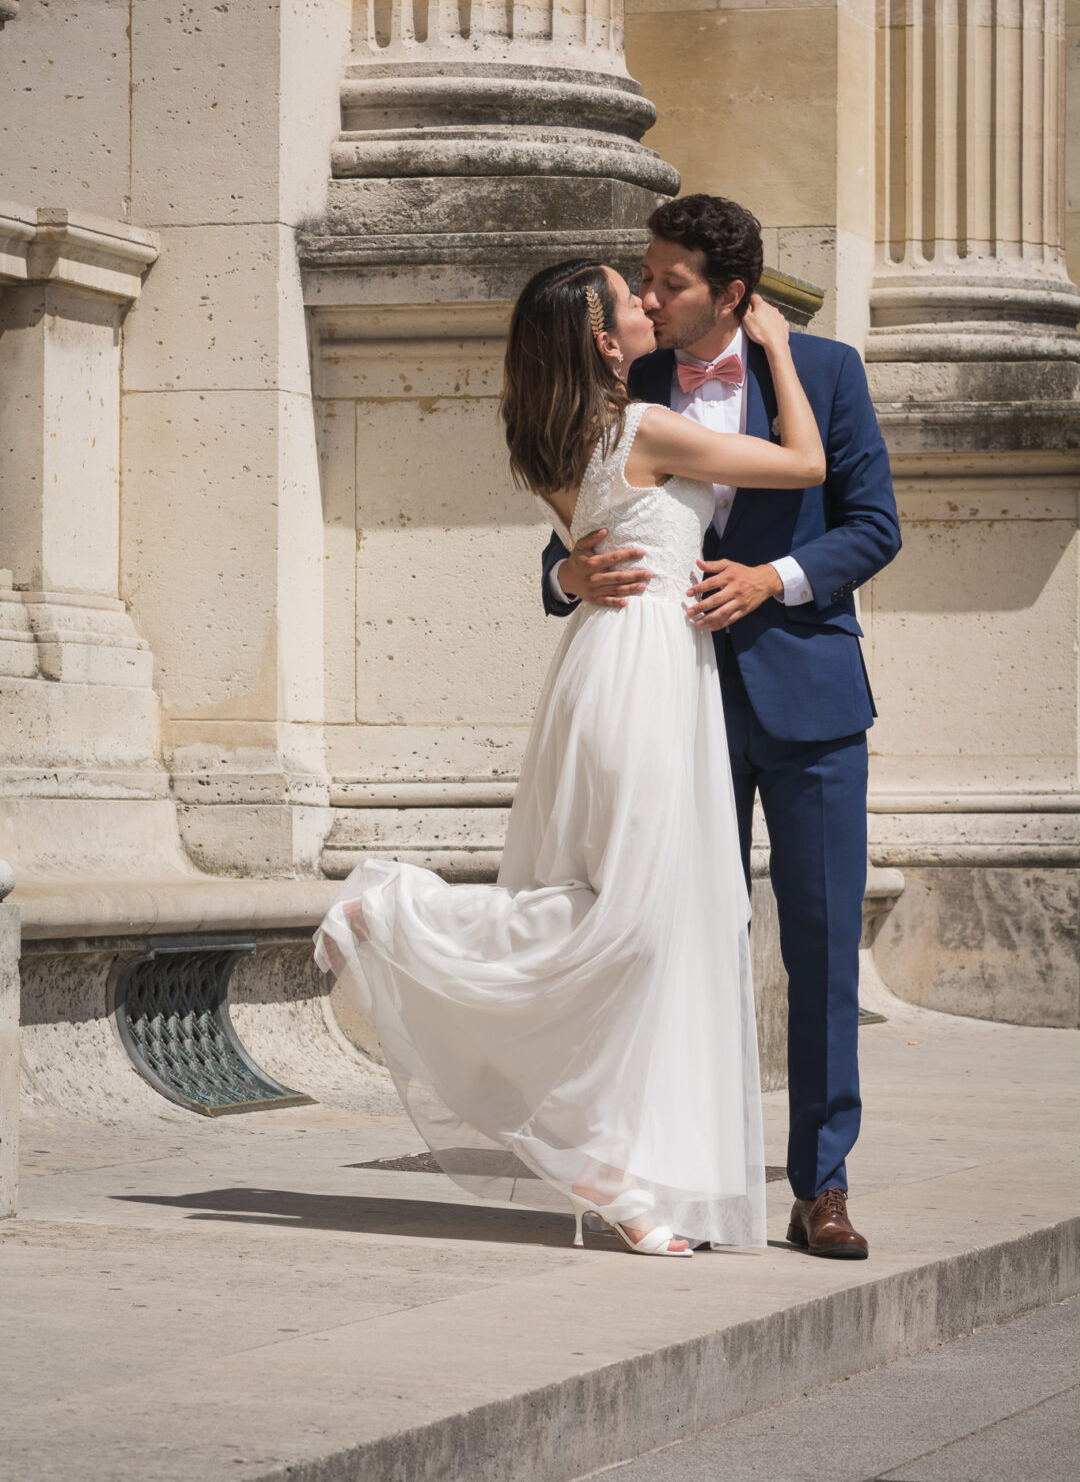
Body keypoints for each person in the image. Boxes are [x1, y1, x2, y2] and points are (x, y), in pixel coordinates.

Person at [315, 257, 826, 1258]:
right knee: (626, 917)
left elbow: (582, 548)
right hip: (640, 677)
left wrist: (564, 567)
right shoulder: (643, 430)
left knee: (659, 920)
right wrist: (777, 350)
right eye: (629, 301)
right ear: (603, 343)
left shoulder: (554, 439)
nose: (647, 305)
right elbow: (805, 463)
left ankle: (617, 1170)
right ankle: (395, 910)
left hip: (619, 667)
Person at [542, 195, 902, 1260]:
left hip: (809, 702)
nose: (649, 297)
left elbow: (874, 525)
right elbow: (585, 523)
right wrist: (565, 573)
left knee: (824, 943)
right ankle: (664, 1163)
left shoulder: (826, 370)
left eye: (670, 283)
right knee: (665, 931)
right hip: (671, 697)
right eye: (644, 281)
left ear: (730, 293)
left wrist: (773, 578)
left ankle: (820, 1184)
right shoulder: (635, 383)